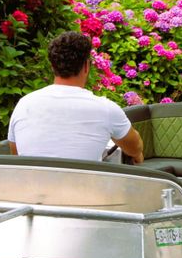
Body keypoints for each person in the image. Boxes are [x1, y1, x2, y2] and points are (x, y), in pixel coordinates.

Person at [8, 31, 144, 163]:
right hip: (85, 186)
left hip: (31, 185)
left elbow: (17, 155)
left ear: (52, 66)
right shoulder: (106, 109)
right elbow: (135, 147)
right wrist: (137, 154)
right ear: (86, 66)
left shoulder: (24, 104)